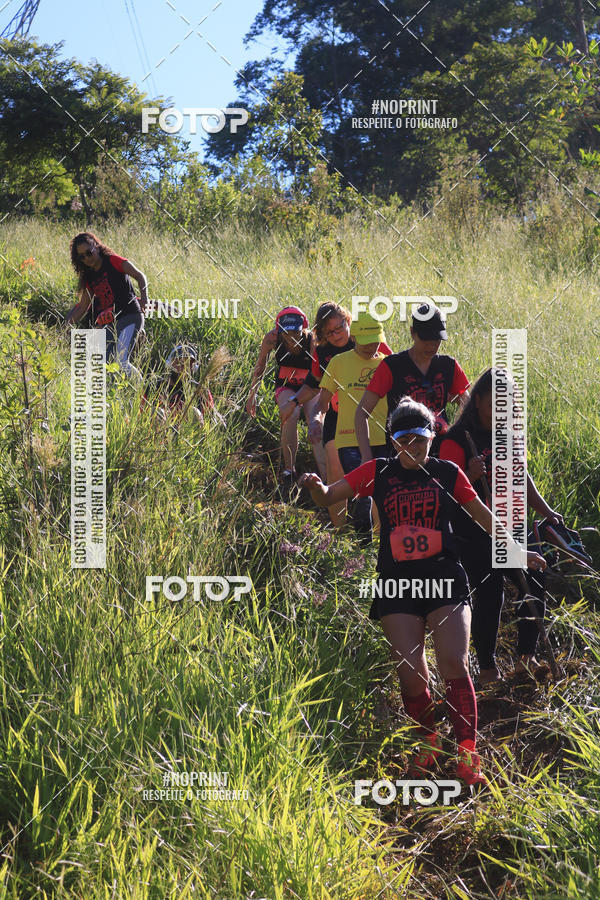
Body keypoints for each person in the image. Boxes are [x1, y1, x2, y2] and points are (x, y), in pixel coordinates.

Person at [300, 397, 547, 787]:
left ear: (432, 437)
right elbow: (331, 495)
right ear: (392, 440)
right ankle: (428, 744)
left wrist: (517, 551)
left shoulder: (448, 473)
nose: (412, 448)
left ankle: (467, 752)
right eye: (403, 440)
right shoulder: (377, 472)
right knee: (411, 674)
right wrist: (316, 487)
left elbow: (482, 515)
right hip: (397, 584)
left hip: (445, 577)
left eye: (420, 439)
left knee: (453, 662)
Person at [439, 368, 564, 683]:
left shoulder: (509, 435)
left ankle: (526, 657)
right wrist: (468, 473)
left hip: (511, 523)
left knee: (534, 575)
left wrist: (547, 511)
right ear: (478, 399)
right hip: (473, 531)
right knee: (490, 593)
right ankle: (488, 668)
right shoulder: (455, 439)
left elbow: (523, 478)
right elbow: (444, 490)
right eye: (496, 402)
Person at [280, 302, 392, 526]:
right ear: (321, 334)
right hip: (339, 418)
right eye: (328, 332)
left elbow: (393, 370)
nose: (335, 335)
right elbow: (314, 385)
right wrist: (300, 408)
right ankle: (340, 534)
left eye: (338, 328)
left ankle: (380, 538)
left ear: (348, 322)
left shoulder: (368, 341)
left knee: (379, 481)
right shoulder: (323, 353)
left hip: (375, 419)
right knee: (335, 473)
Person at [307, 310, 392, 541]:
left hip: (379, 435)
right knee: (342, 477)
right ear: (355, 338)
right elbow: (320, 401)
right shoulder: (334, 360)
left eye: (375, 342)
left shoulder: (387, 362)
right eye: (365, 343)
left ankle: (378, 543)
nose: (370, 347)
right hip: (345, 432)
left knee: (379, 490)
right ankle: (340, 535)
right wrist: (315, 421)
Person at [355, 301, 469, 459]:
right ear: (412, 333)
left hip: (440, 455)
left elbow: (469, 409)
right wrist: (366, 456)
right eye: (426, 340)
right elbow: (361, 412)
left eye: (436, 340)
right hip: (400, 456)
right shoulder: (392, 365)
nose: (431, 346)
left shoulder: (449, 366)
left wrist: (458, 439)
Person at [246, 306, 326, 500]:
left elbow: (321, 374)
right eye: (287, 333)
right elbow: (260, 367)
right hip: (286, 385)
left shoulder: (311, 340)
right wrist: (252, 395)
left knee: (314, 418)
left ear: (304, 328)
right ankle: (289, 471)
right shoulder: (272, 338)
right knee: (290, 413)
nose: (291, 337)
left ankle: (325, 473)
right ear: (279, 330)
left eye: (296, 332)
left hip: (309, 385)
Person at [65, 232, 147, 380]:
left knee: (121, 361)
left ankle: (142, 393)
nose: (87, 258)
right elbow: (83, 307)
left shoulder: (113, 261)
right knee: (102, 363)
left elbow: (139, 276)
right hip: (110, 323)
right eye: (81, 257)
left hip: (130, 317)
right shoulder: (89, 276)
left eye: (89, 253)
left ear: (96, 246)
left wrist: (145, 300)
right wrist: (65, 325)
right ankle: (111, 397)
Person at [143, 343, 214, 425]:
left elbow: (210, 421)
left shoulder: (201, 391)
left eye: (188, 363)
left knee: (194, 413)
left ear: (193, 367)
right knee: (157, 413)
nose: (183, 367)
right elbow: (140, 414)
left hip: (187, 435)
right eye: (179, 362)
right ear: (170, 363)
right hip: (156, 435)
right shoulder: (154, 386)